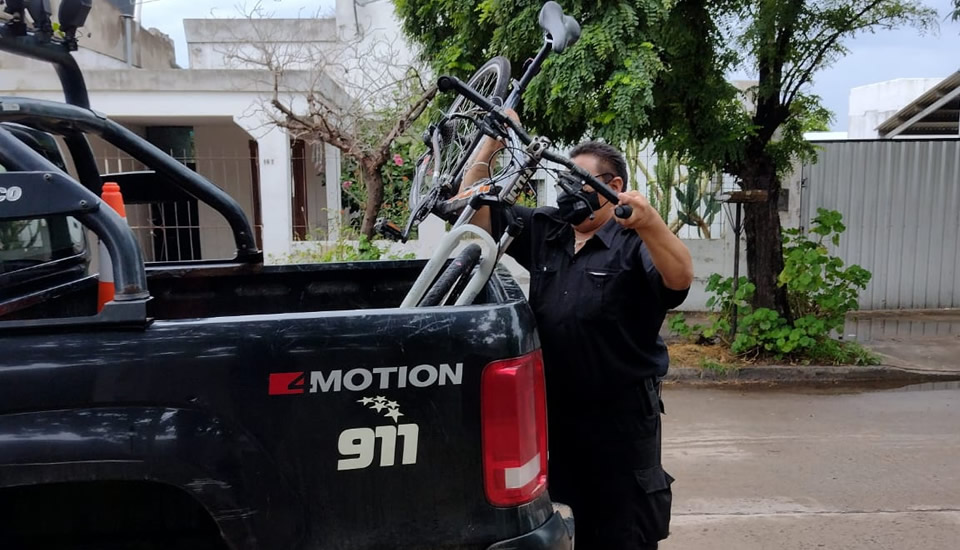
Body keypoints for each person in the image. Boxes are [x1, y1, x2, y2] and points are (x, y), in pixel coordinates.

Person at [461, 114, 694, 550]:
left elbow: (679, 278)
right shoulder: (550, 231)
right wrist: (491, 143)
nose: (572, 191)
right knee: (565, 527)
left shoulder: (636, 241)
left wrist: (649, 222)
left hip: (620, 424)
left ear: (615, 185)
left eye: (583, 182)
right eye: (566, 180)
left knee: (622, 534)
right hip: (556, 419)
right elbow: (476, 216)